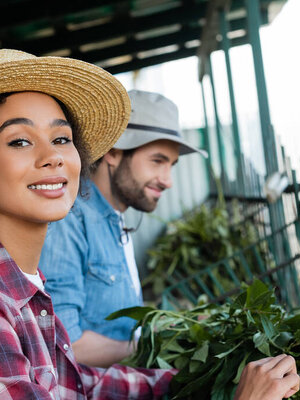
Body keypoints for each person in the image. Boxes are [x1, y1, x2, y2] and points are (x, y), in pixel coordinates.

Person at [0, 49, 299, 399]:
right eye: (20, 140)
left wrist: (197, 381)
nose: (53, 156)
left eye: (61, 139)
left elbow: (78, 385)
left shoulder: (21, 279)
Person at [39, 90, 209, 368]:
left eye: (172, 165)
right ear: (113, 153)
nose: (168, 181)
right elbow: (64, 344)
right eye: (157, 161)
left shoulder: (116, 218)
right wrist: (155, 344)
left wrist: (173, 326)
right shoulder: (69, 220)